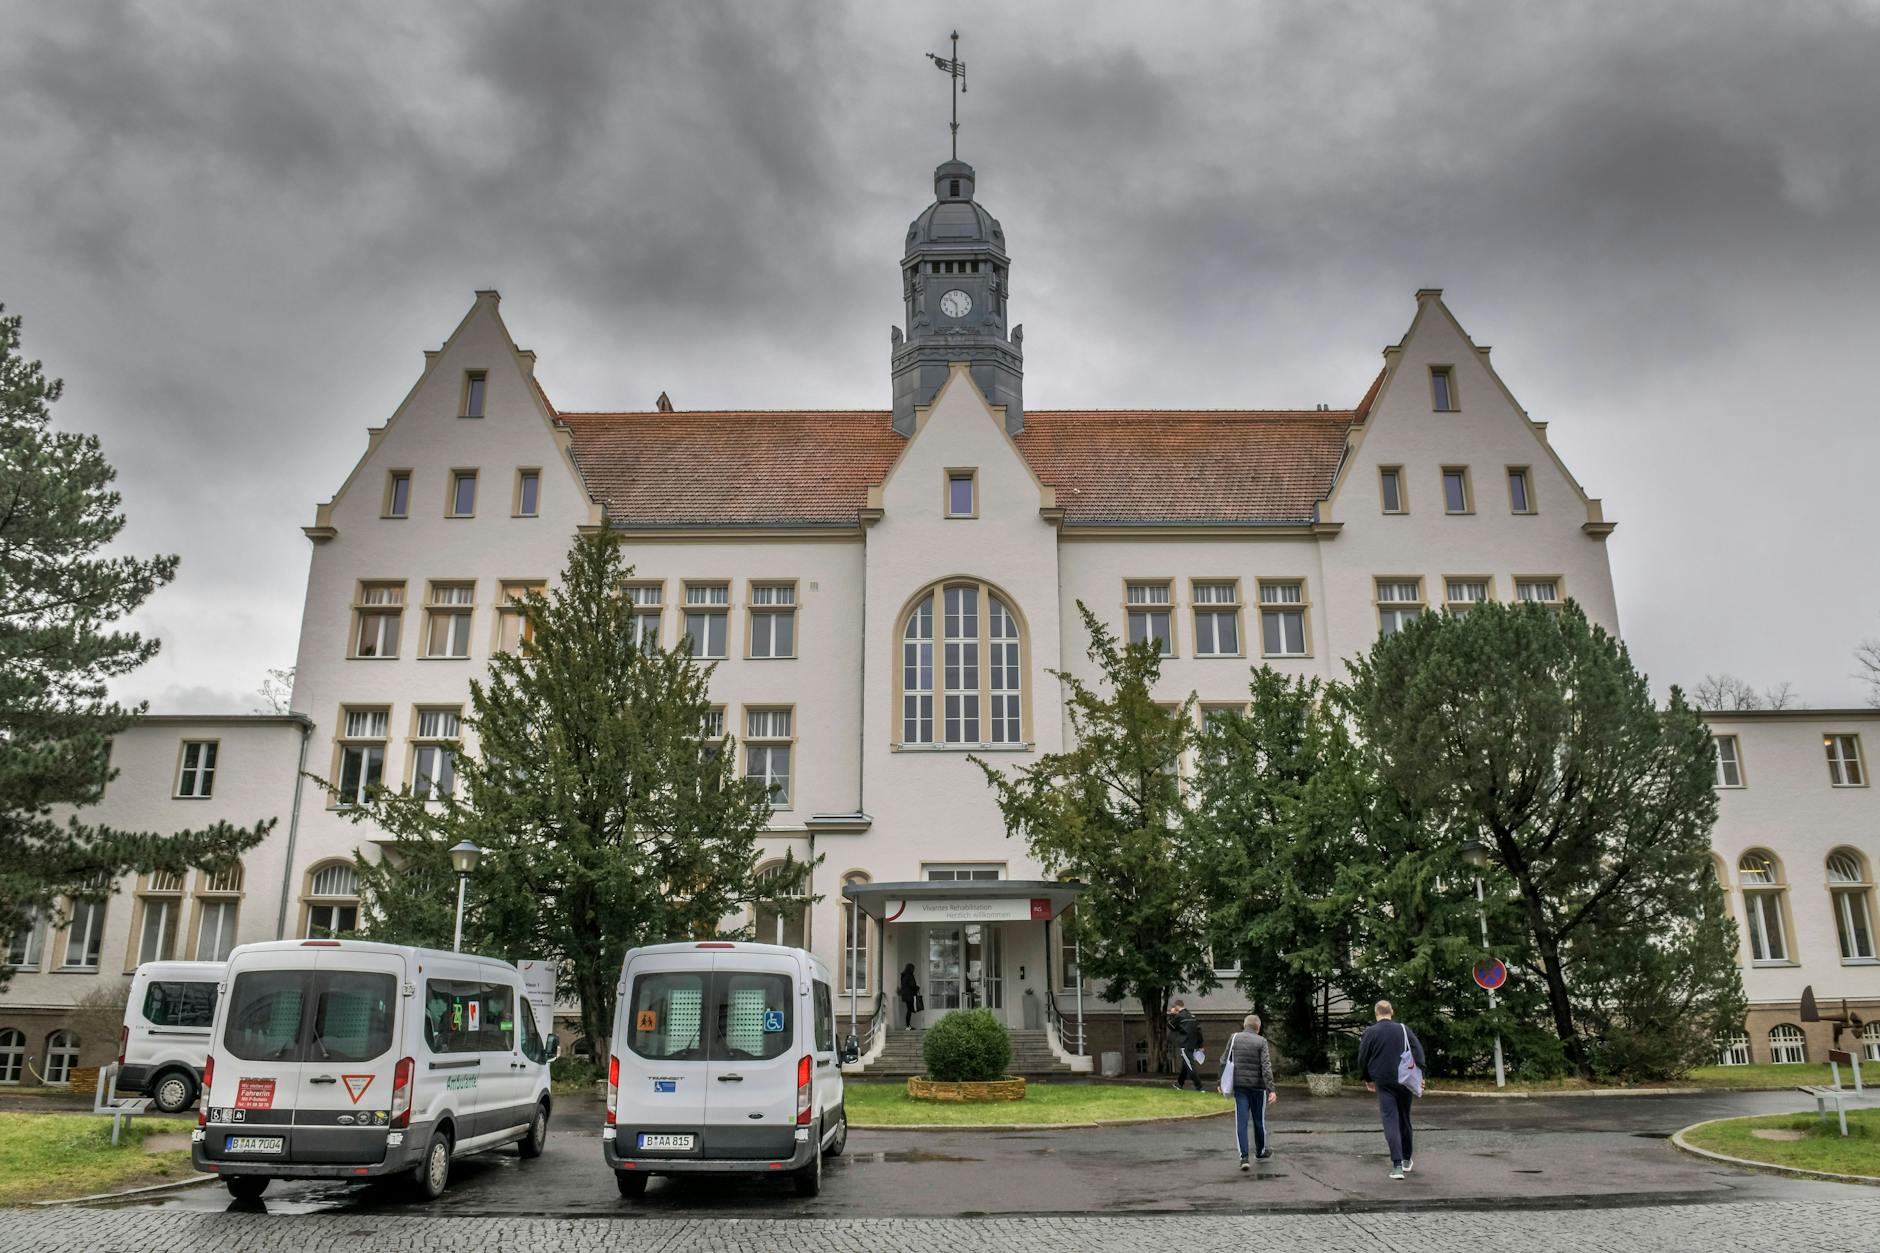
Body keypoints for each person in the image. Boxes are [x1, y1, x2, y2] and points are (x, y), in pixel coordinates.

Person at [1355, 999, 1426, 1180]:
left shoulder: (1370, 1032)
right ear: (1391, 1012)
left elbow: (1363, 1057)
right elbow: (1418, 1052)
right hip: (1405, 1080)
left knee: (1390, 1120)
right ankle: (1407, 1159)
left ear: (1376, 1013)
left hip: (1383, 1081)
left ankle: (1397, 1166)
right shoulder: (1403, 1029)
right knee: (1404, 1119)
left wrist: (1367, 1078)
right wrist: (1421, 1076)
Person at [1223, 1013, 1278, 1170]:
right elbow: (1266, 1066)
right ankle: (1260, 1151)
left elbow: (1224, 1059)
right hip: (1257, 1087)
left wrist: (1221, 1081)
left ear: (1244, 1025)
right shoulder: (1261, 1041)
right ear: (1258, 1027)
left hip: (1240, 1086)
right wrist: (1271, 1089)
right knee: (1258, 1121)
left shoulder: (1234, 1038)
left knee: (1241, 1122)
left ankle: (1244, 1158)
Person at [1167, 999, 1205, 1091]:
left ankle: (1199, 1087)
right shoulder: (1192, 1016)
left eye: (1174, 1007)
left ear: (1177, 1007)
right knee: (1185, 1065)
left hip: (1185, 1044)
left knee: (1190, 1065)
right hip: (1193, 1044)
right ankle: (1179, 1084)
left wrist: (1172, 1014)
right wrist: (1200, 1045)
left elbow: (1170, 1025)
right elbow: (1198, 1031)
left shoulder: (1179, 1016)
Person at [898, 963, 920, 1030]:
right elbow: (912, 985)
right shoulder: (910, 975)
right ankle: (908, 1026)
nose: (914, 970)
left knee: (909, 1010)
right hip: (909, 995)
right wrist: (917, 987)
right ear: (911, 969)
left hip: (905, 995)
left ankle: (908, 1026)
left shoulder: (903, 975)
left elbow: (904, 985)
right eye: (913, 968)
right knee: (909, 1010)